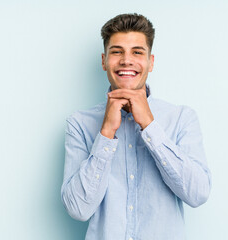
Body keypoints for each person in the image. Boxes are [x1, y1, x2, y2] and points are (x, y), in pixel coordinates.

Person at [61, 13, 211, 240]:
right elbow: (78, 209)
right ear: (104, 61)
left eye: (137, 52)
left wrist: (150, 126)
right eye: (117, 51)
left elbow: (198, 194)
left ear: (150, 62)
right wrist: (106, 133)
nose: (126, 60)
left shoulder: (181, 118)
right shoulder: (79, 124)